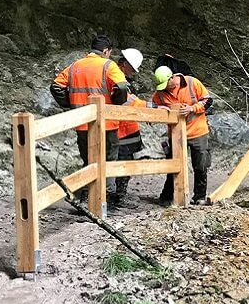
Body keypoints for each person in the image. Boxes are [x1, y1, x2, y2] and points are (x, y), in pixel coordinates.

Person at [50, 37, 143, 204]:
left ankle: (86, 199)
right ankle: (103, 201)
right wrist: (116, 103)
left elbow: (56, 86)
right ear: (106, 51)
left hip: (82, 124)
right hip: (107, 125)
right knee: (107, 162)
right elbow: (122, 86)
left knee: (89, 162)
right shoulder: (108, 65)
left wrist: (70, 104)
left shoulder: (75, 66)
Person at [149, 65, 213, 205]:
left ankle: (199, 197)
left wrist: (192, 108)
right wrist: (158, 111)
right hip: (176, 135)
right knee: (173, 167)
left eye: (167, 84)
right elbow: (152, 106)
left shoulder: (191, 82)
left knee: (200, 166)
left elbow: (208, 100)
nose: (165, 88)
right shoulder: (160, 93)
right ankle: (167, 197)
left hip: (198, 132)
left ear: (173, 78)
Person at [109, 93, 144, 209]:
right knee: (123, 165)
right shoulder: (117, 90)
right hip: (122, 134)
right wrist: (154, 107)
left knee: (123, 165)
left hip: (123, 132)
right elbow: (136, 103)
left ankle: (116, 195)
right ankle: (118, 196)